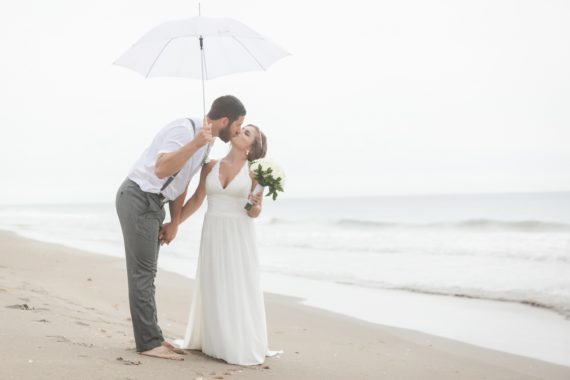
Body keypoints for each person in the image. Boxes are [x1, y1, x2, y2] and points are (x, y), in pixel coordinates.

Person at [115, 95, 246, 360]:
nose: (236, 130)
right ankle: (148, 342)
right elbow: (162, 168)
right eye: (237, 124)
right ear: (224, 120)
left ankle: (153, 336)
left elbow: (181, 185)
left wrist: (175, 222)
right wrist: (194, 143)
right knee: (143, 273)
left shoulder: (205, 146)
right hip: (138, 197)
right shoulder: (184, 129)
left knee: (148, 274)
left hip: (155, 203)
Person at [178, 124, 282, 365]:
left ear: (251, 148)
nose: (239, 132)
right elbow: (196, 200)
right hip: (213, 230)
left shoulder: (255, 172)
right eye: (241, 128)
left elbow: (254, 212)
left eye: (247, 134)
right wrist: (175, 224)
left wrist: (255, 203)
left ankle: (236, 340)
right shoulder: (210, 166)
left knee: (237, 282)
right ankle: (215, 338)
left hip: (239, 234)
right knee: (214, 280)